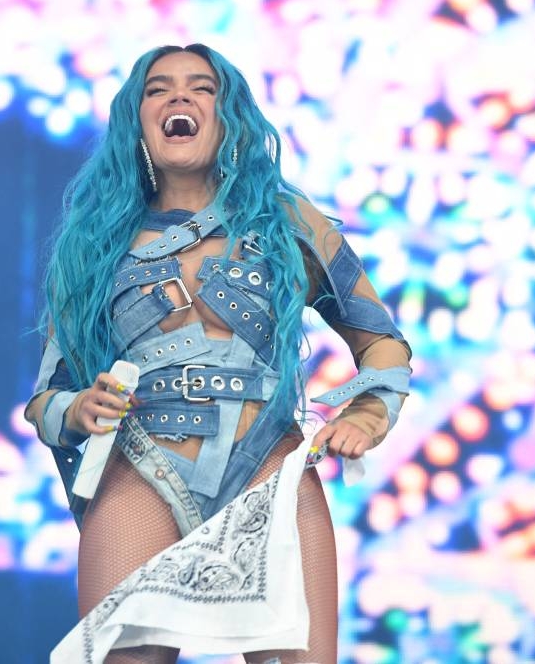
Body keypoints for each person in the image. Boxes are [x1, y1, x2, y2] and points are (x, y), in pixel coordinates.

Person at [25, 43, 411, 664]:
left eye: (202, 87)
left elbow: (382, 343)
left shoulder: (290, 223)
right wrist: (78, 409)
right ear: (136, 119)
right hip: (140, 469)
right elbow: (46, 397)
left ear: (229, 115)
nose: (179, 96)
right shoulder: (94, 242)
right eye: (158, 89)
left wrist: (368, 416)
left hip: (267, 469)